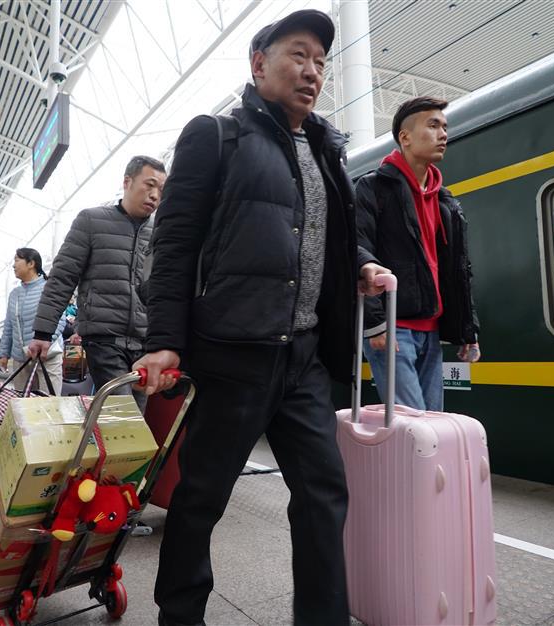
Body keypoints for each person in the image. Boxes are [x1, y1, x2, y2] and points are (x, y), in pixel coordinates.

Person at [133, 10, 389, 625]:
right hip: (232, 352)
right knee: (201, 497)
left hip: (303, 356)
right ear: (259, 64)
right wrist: (166, 340)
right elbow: (174, 245)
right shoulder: (216, 135)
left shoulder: (328, 150)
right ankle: (181, 614)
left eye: (322, 62)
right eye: (298, 55)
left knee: (324, 493)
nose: (312, 71)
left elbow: (329, 236)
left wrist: (360, 264)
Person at [356, 97, 481, 411]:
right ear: (405, 137)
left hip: (432, 330)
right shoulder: (372, 188)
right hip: (393, 327)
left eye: (445, 127)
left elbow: (457, 270)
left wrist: (467, 328)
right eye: (433, 125)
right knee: (412, 428)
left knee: (432, 427)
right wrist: (375, 324)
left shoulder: (445, 201)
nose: (443, 134)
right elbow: (357, 252)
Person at [28, 156, 166, 408]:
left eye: (161, 189)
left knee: (133, 419)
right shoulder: (91, 221)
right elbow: (62, 278)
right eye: (149, 185)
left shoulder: (161, 233)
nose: (155, 195)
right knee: (124, 414)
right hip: (104, 340)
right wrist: (43, 333)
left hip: (144, 343)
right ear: (127, 182)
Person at [0, 248, 65, 395]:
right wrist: (3, 354)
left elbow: (60, 320)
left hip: (47, 356)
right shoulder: (15, 294)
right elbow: (9, 326)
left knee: (49, 402)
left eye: (17, 260)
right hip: (21, 360)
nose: (14, 265)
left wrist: (43, 343)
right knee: (22, 405)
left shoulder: (48, 288)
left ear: (31, 264)